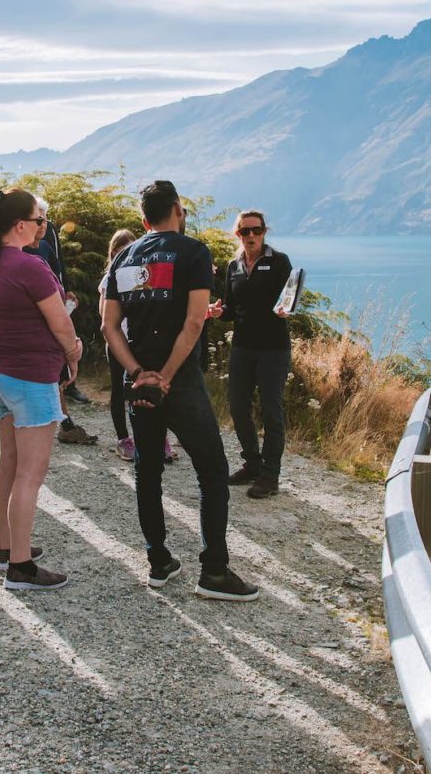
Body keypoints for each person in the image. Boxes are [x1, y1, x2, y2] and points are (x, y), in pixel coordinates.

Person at [103, 180, 260, 601]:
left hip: (137, 385)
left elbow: (108, 326)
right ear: (178, 209)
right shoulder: (193, 252)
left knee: (147, 470)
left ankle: (158, 561)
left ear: (143, 219)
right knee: (211, 472)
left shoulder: (125, 256)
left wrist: (139, 373)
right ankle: (214, 572)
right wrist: (167, 375)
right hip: (181, 384)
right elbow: (194, 322)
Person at [0, 187, 79, 590]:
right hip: (33, 378)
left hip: (0, 374)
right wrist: (74, 352)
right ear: (20, 225)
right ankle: (21, 566)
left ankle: (6, 548)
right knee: (30, 476)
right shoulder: (30, 266)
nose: (43, 226)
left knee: (10, 466)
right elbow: (60, 323)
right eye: (39, 220)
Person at [218, 210, 294, 499]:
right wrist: (216, 312)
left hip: (274, 348)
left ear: (265, 231)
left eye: (256, 230)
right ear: (237, 234)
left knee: (271, 411)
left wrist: (287, 308)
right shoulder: (233, 266)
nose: (251, 236)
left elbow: (289, 301)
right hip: (242, 347)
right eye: (244, 231)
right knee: (238, 407)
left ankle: (270, 475)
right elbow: (228, 310)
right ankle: (252, 463)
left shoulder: (279, 261)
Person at [31, 197, 95, 445]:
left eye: (44, 218)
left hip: (56, 312)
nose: (42, 224)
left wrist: (66, 293)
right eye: (37, 219)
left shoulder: (46, 246)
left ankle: (64, 423)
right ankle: (54, 426)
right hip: (39, 322)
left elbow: (57, 271)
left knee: (54, 374)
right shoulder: (19, 252)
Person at [99, 228, 137, 460]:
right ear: (114, 253)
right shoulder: (108, 278)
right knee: (119, 389)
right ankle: (123, 439)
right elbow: (103, 313)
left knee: (141, 388)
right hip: (116, 341)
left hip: (138, 340)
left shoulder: (141, 274)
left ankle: (155, 438)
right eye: (124, 251)